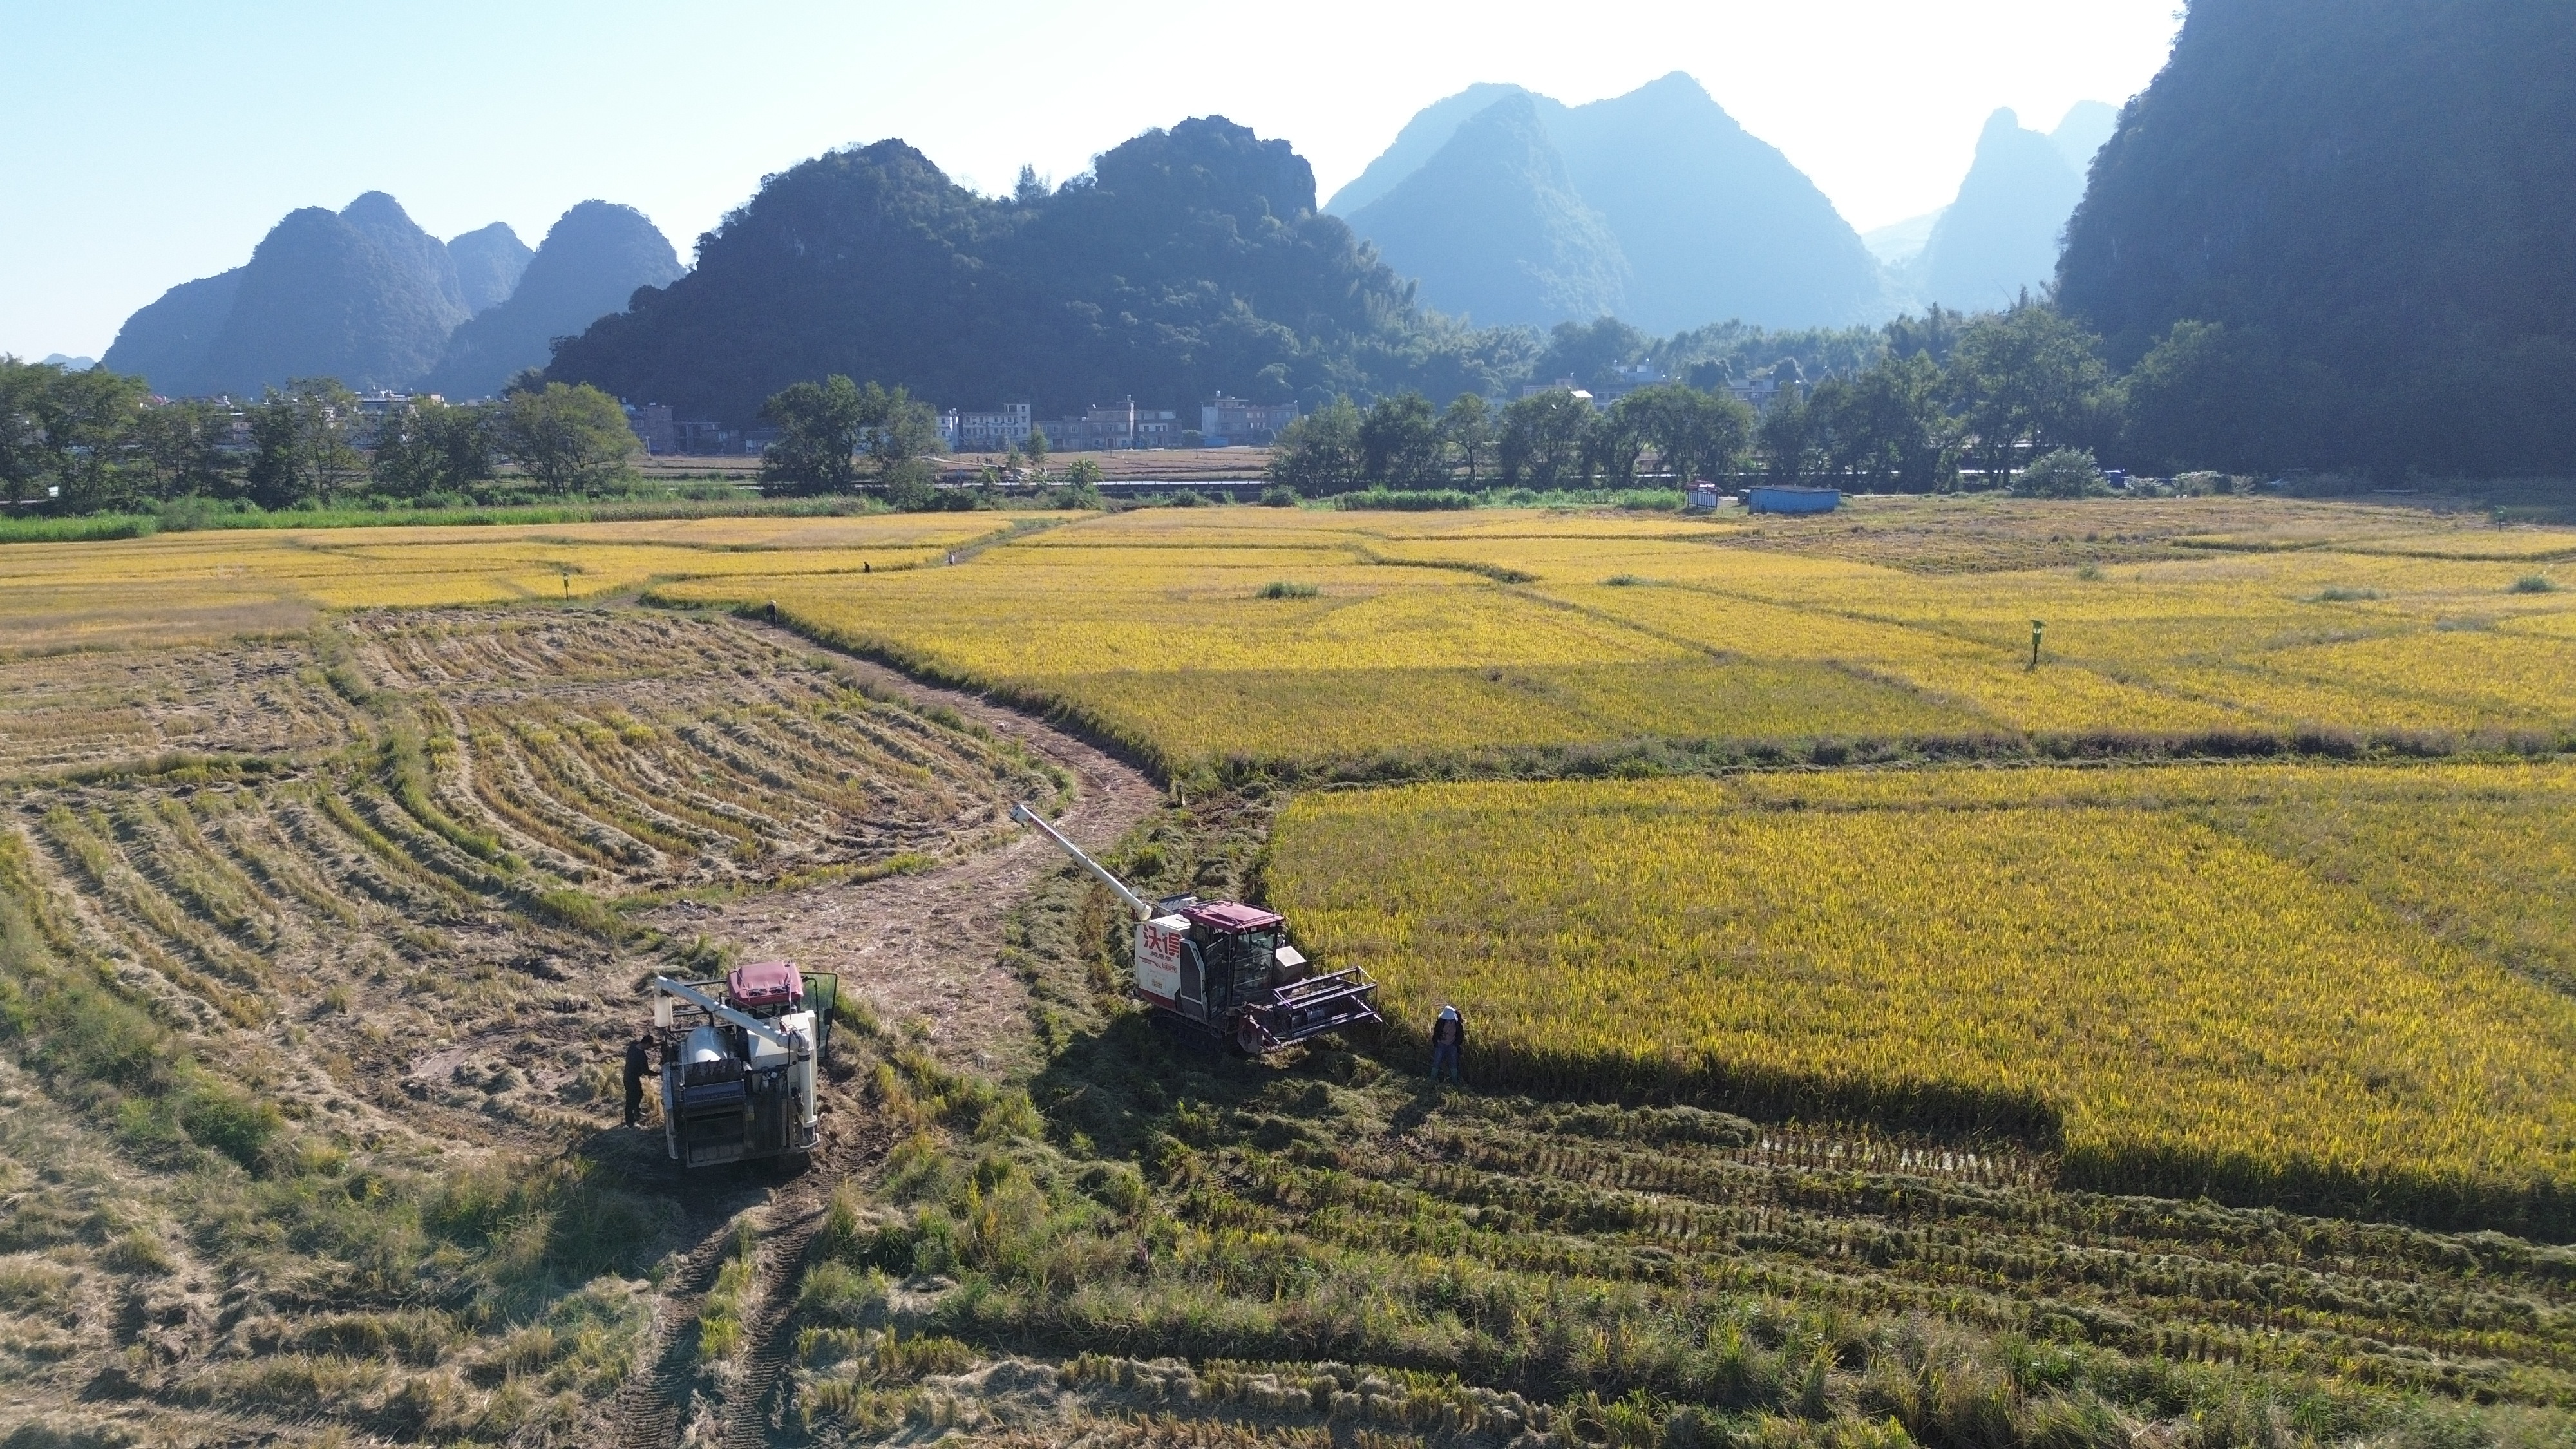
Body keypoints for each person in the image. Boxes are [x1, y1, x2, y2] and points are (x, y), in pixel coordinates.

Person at [1428, 1005, 1464, 1085]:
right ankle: (1432, 1079)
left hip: (1452, 1046)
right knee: (1436, 1062)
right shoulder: (1441, 1022)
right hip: (1441, 1045)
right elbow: (1436, 1033)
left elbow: (1461, 1035)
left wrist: (1456, 1044)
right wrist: (1437, 1043)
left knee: (1453, 1063)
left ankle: (1455, 1081)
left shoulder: (1457, 1024)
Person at [623, 1036, 651, 1127]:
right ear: (647, 1044)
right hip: (632, 1079)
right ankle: (630, 1122)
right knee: (631, 1099)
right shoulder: (642, 1056)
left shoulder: (633, 1046)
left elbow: (641, 1043)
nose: (649, 1048)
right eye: (649, 1046)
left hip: (628, 1076)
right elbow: (646, 1071)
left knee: (640, 1094)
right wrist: (658, 1074)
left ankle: (637, 1112)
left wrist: (658, 1044)